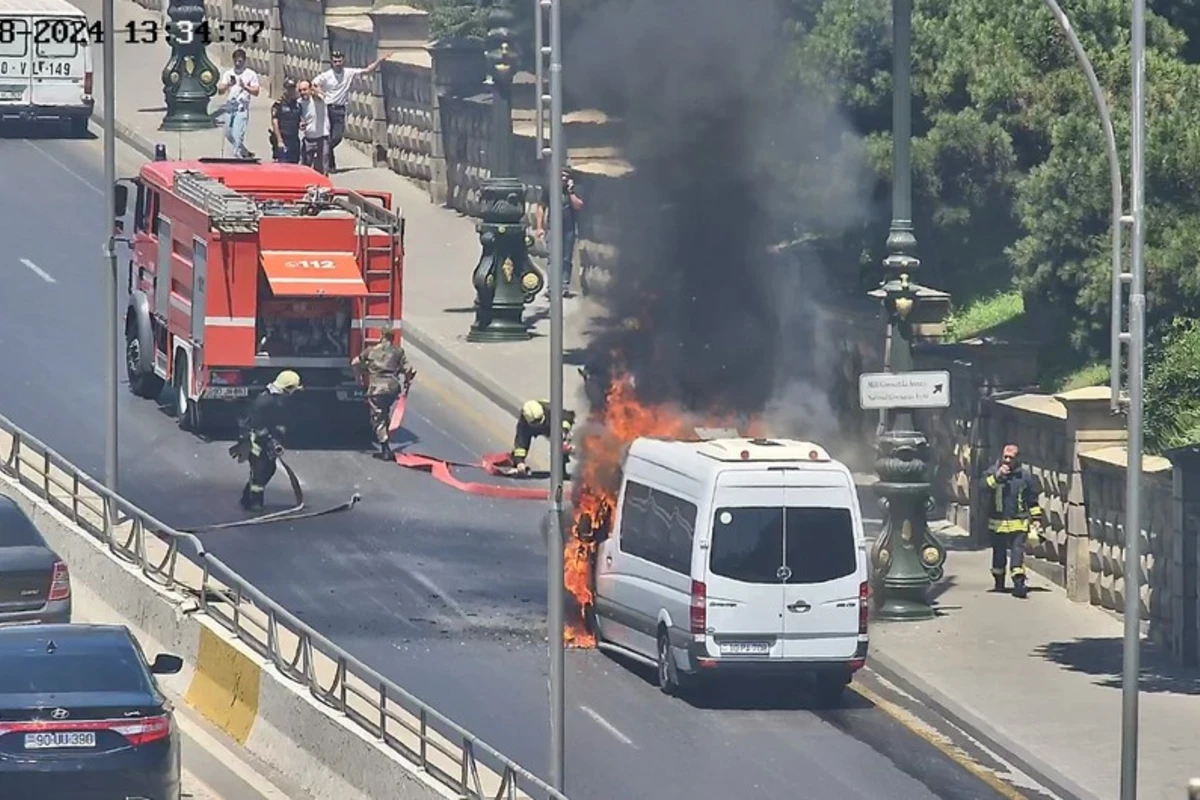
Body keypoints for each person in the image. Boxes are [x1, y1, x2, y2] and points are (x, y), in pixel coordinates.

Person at [231, 370, 303, 511]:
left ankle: (247, 498)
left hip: (264, 442)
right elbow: (256, 424)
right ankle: (254, 502)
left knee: (268, 469)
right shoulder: (264, 402)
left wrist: (279, 435)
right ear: (287, 389)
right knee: (260, 472)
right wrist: (268, 440)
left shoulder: (278, 400)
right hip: (255, 444)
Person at [980, 443, 1045, 598]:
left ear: (1017, 459)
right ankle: (999, 581)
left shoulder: (1024, 477)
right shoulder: (992, 472)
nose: (1008, 460)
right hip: (998, 523)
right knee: (999, 555)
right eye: (1006, 457)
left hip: (1019, 522)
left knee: (1017, 553)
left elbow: (1032, 499)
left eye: (1011, 457)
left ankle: (1018, 583)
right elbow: (983, 487)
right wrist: (997, 477)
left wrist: (1036, 518)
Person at [350, 325, 416, 460]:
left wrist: (359, 379)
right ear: (393, 337)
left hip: (376, 389)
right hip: (392, 388)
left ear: (381, 336)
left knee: (378, 418)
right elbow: (410, 370)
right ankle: (386, 427)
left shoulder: (370, 351)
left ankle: (385, 449)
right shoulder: (398, 352)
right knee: (385, 410)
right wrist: (407, 383)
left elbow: (354, 362)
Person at [311, 50, 383, 172]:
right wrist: (320, 92)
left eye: (339, 61)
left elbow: (367, 70)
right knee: (328, 137)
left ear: (343, 61)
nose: (337, 63)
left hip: (340, 110)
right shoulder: (326, 75)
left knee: (336, 137)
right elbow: (313, 84)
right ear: (332, 62)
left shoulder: (348, 73)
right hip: (328, 108)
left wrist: (380, 60)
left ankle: (321, 155)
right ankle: (330, 165)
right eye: (335, 61)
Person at [534, 167, 584, 298]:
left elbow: (578, 205)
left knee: (566, 258)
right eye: (561, 175)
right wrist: (539, 227)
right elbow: (541, 207)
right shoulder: (549, 187)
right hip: (553, 226)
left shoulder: (573, 189)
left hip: (569, 227)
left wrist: (571, 192)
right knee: (552, 257)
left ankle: (564, 286)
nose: (563, 178)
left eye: (566, 176)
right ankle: (551, 287)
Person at [510, 400, 576, 478]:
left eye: (540, 421)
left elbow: (568, 416)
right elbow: (520, 443)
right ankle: (517, 467)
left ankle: (561, 471)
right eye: (535, 423)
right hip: (535, 427)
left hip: (553, 426)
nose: (539, 425)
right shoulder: (523, 424)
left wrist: (563, 430)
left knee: (560, 446)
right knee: (518, 452)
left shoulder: (551, 410)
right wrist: (519, 462)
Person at [217, 48, 260, 159]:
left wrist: (244, 86)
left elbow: (256, 91)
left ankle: (238, 156)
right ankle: (245, 152)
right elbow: (220, 91)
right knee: (228, 133)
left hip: (241, 109)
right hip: (229, 107)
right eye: (236, 61)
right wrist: (228, 85)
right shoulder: (228, 73)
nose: (237, 63)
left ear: (244, 61)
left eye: (240, 61)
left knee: (237, 135)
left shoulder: (250, 74)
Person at [297, 80, 330, 174]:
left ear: (310, 89)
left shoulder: (318, 100)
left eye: (305, 89)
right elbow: (298, 118)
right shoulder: (299, 103)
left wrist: (315, 90)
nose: (302, 92)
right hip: (308, 138)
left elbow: (321, 95)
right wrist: (300, 124)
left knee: (322, 168)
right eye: (300, 90)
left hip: (322, 138)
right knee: (305, 168)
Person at [269, 78, 302, 163]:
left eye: (292, 88)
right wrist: (279, 140)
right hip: (283, 138)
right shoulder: (278, 105)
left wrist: (301, 124)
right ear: (284, 89)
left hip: (294, 139)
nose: (290, 91)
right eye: (288, 88)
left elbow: (300, 119)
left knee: (295, 164)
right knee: (283, 164)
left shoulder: (297, 104)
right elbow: (274, 122)